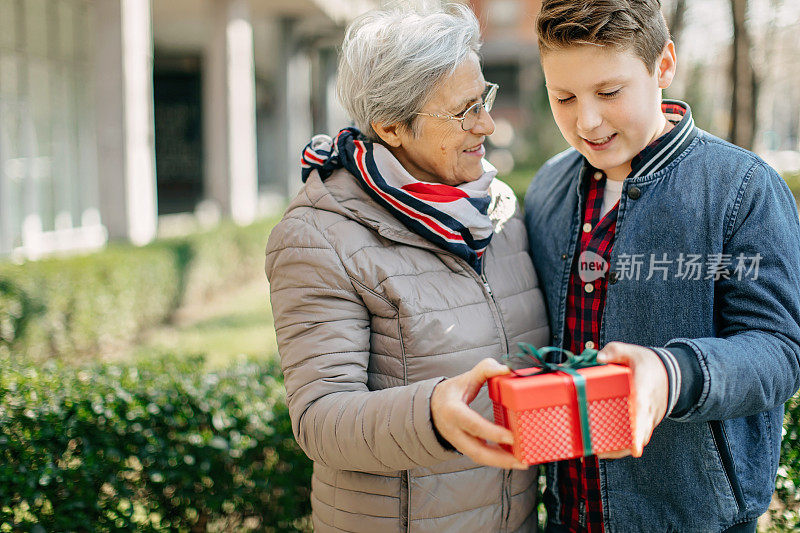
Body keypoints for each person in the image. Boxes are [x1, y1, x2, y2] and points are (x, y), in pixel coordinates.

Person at [265, 3, 549, 531]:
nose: (487, 123)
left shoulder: (499, 209)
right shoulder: (319, 236)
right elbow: (319, 418)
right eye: (464, 111)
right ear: (392, 127)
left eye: (484, 97)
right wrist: (434, 413)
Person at [524, 1, 800, 531]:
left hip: (693, 519)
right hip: (568, 512)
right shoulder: (547, 189)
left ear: (663, 65)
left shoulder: (741, 189)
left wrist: (671, 375)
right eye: (563, 97)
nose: (587, 120)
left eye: (609, 92)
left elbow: (781, 352)